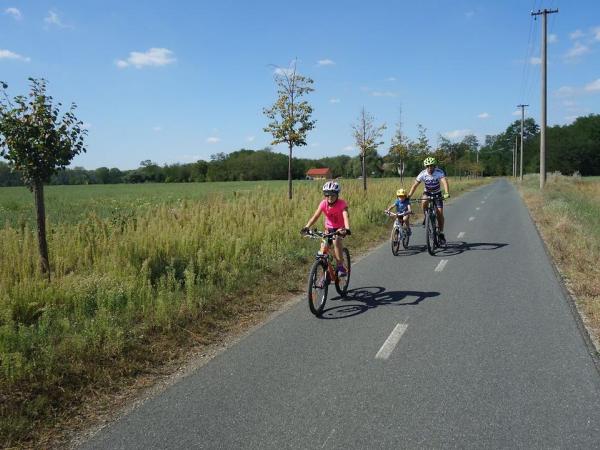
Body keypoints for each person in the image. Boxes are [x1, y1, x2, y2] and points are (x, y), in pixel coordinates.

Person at [301, 181, 351, 276]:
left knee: (336, 241)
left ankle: (341, 266)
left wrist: (347, 228)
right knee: (323, 249)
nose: (330, 198)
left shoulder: (341, 203)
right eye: (327, 195)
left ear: (337, 194)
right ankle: (325, 268)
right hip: (328, 229)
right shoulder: (324, 203)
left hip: (340, 229)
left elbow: (345, 216)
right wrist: (307, 226)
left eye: (332, 195)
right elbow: (316, 216)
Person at [407, 157, 450, 245]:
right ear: (426, 166)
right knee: (424, 201)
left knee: (440, 214)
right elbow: (415, 185)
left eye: (432, 166)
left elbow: (444, 182)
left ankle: (441, 233)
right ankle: (426, 215)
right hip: (428, 192)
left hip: (437, 194)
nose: (430, 168)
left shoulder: (439, 172)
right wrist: (409, 195)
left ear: (435, 166)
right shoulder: (422, 173)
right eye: (428, 166)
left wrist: (446, 192)